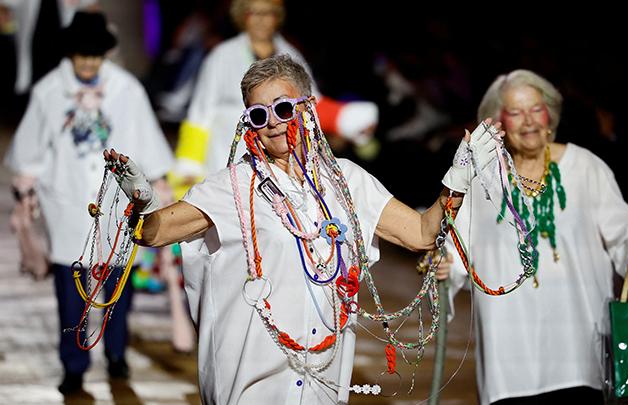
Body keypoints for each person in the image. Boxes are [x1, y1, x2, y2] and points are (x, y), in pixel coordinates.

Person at [103, 54, 501, 404]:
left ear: (308, 108)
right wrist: (141, 201)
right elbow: (154, 232)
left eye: (283, 108)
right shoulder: (231, 187)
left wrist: (458, 178)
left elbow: (421, 234)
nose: (272, 124)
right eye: (258, 115)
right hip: (249, 383)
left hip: (322, 382)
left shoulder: (348, 181)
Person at [444, 69, 628, 405]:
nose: (528, 121)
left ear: (550, 115)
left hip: (579, 341)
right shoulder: (483, 176)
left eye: (535, 109)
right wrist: (446, 266)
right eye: (515, 112)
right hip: (509, 344)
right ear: (499, 122)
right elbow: (458, 240)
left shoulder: (585, 166)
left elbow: (624, 227)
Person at [3, 11, 174, 394]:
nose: (88, 62)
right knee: (71, 291)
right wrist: (28, 178)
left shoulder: (127, 89)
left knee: (118, 285)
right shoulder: (49, 91)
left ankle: (116, 355)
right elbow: (31, 147)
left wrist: (159, 181)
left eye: (95, 55)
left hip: (115, 202)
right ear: (71, 53)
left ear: (104, 55)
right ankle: (74, 365)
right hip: (67, 202)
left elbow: (145, 138)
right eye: (82, 54)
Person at [170, 0, 379, 200]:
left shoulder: (291, 55)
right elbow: (199, 116)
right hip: (226, 152)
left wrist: (347, 119)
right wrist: (189, 165)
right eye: (254, 13)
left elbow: (310, 103)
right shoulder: (221, 56)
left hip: (282, 155)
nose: (261, 20)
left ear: (276, 18)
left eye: (267, 13)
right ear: (243, 17)